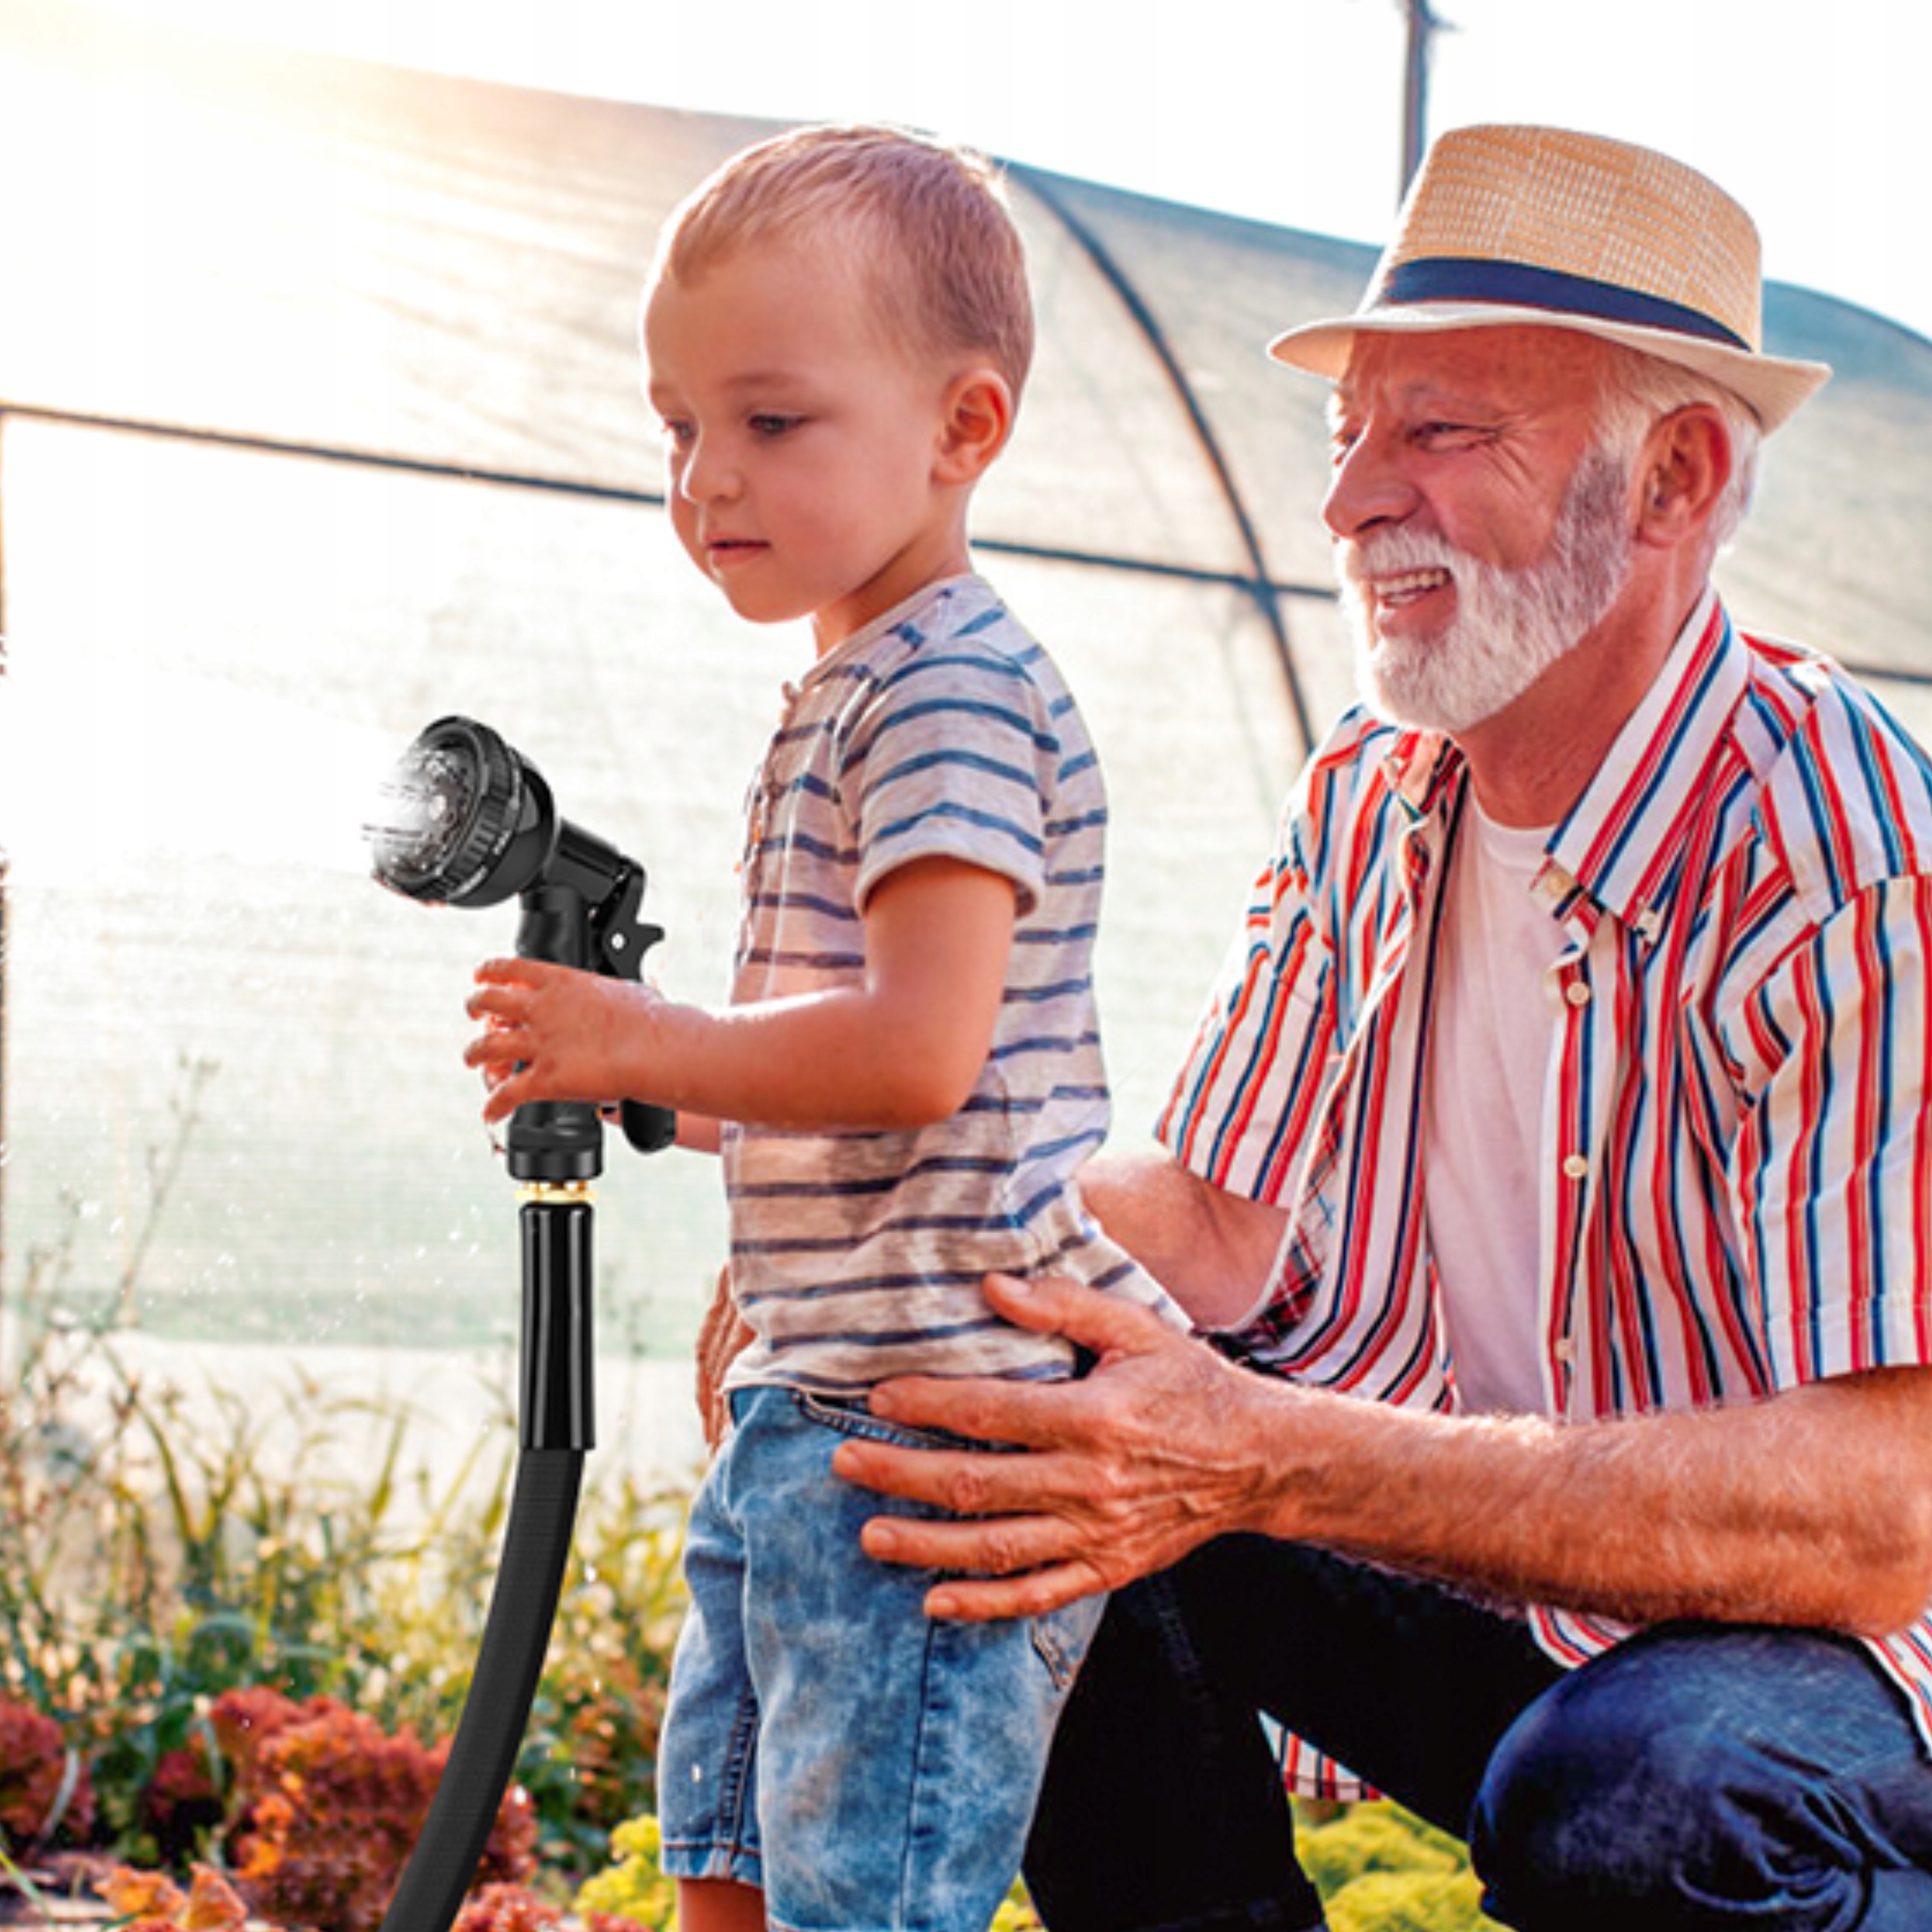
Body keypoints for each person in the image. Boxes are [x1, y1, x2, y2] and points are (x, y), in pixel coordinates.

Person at [824, 125, 1932, 1930]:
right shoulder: (1372, 790)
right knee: (997, 1416)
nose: (1346, 502)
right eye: (1346, 436)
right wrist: (895, 1232)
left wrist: (1263, 1447)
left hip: (1833, 1672)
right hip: (1506, 1590)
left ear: (1673, 472)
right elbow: (1208, 1210)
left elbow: (1877, 1518)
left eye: (1437, 432)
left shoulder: (1847, 854)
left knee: (1643, 1791)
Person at [462, 123, 1180, 1932]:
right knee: (727, 1852)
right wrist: (654, 1085)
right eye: (677, 425)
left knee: (848, 1897)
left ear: (962, 429)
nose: (708, 473)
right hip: (815, 1406)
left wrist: (657, 1039)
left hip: (924, 1433)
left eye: (771, 421)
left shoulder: (943, 687)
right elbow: (869, 1086)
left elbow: (916, 1049)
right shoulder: (855, 685)